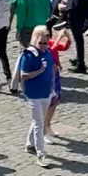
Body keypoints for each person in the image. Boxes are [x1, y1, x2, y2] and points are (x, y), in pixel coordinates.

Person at [19, 25, 58, 165]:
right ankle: (40, 154)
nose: (42, 45)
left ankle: (29, 144)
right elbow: (23, 75)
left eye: (45, 42)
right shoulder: (28, 55)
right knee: (39, 124)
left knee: (38, 119)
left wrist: (53, 84)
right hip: (33, 94)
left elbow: (53, 68)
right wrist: (40, 70)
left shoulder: (47, 52)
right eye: (40, 42)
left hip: (46, 92)